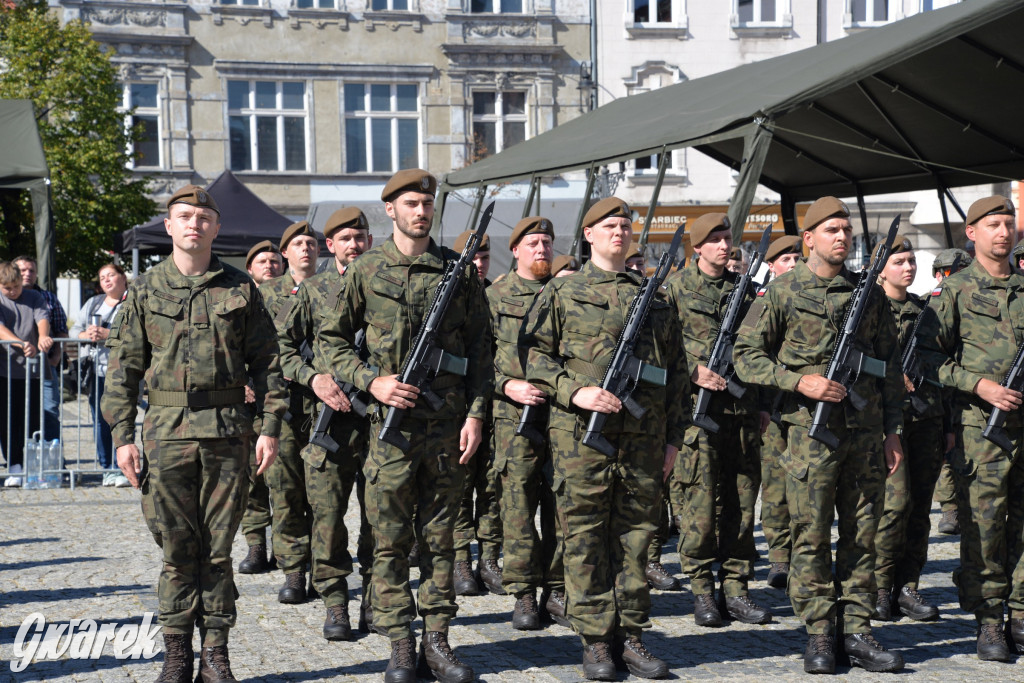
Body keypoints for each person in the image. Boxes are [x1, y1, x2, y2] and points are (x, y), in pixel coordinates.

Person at [102, 185, 286, 683]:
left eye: (204, 217)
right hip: (166, 436)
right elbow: (121, 370)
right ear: (169, 225)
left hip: (229, 436)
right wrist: (122, 436)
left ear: (216, 226)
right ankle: (177, 652)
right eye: (185, 216)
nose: (194, 224)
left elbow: (269, 364)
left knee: (220, 549)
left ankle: (217, 653)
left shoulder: (241, 287)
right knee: (177, 548)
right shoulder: (144, 289)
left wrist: (270, 427)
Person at [318, 169, 491, 683]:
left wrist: (477, 414)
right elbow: (332, 341)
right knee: (390, 541)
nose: (421, 211)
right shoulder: (366, 271)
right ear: (389, 209)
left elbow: (482, 351)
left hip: (446, 429)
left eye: (427, 203)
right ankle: (399, 643)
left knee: (441, 540)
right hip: (390, 432)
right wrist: (371, 382)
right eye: (411, 203)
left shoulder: (456, 273)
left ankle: (437, 641)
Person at [733, 196, 905, 674]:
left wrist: (892, 431)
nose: (842, 237)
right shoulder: (781, 293)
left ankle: (857, 628)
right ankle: (819, 633)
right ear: (808, 237)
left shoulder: (866, 294)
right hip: (809, 438)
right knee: (810, 537)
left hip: (865, 435)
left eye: (846, 230)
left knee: (862, 535)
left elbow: (888, 368)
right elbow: (744, 357)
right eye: (831, 229)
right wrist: (798, 381)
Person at [525, 197, 689, 680]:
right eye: (608, 226)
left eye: (625, 225)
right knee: (584, 539)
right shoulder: (562, 294)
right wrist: (577, 392)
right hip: (581, 440)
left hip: (644, 438)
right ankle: (596, 640)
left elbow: (677, 376)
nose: (619, 232)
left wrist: (674, 441)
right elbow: (534, 359)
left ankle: (632, 635)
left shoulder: (656, 298)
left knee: (637, 537)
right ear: (589, 235)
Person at [666, 212, 771, 627]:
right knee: (700, 506)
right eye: (715, 240)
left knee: (743, 504)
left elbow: (760, 348)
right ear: (697, 247)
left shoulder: (744, 292)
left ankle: (737, 589)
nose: (724, 246)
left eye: (727, 238)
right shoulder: (674, 290)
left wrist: (762, 403)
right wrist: (693, 370)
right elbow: (658, 346)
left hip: (741, 413)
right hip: (695, 416)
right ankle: (702, 591)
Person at [933, 195, 1024, 662]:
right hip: (981, 429)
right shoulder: (956, 291)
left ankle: (1022, 611)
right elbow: (930, 359)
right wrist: (980, 385)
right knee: (985, 527)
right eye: (993, 224)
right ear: (972, 233)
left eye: (1009, 223)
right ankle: (989, 620)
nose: (1004, 232)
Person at [278, 206, 374, 641]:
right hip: (330, 424)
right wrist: (313, 378)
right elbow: (280, 349)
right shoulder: (313, 291)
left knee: (382, 518)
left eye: (360, 236)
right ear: (330, 245)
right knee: (328, 517)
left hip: (380, 421)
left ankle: (378, 597)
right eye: (345, 238)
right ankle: (336, 601)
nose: (354, 244)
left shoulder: (386, 283)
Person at [486, 216, 567, 630]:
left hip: (563, 418)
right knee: (517, 507)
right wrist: (506, 385)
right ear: (515, 249)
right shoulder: (493, 295)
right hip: (512, 418)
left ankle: (557, 590)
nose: (542, 249)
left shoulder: (568, 292)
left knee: (561, 506)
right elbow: (476, 359)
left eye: (548, 242)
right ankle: (522, 593)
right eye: (533, 243)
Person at [869, 236, 946, 623]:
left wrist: (946, 424)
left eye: (912, 260)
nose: (909, 267)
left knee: (919, 509)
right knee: (894, 507)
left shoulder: (925, 311)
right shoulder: (867, 310)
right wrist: (893, 375)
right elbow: (855, 361)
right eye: (899, 261)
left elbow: (944, 362)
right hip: (887, 423)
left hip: (927, 420)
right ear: (881, 267)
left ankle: (908, 586)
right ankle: (880, 586)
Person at [261, 221, 321, 604]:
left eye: (311, 243)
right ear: (285, 252)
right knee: (284, 492)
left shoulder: (334, 289)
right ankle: (293, 570)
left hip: (322, 406)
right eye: (298, 244)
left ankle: (323, 567)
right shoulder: (266, 294)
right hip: (281, 404)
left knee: (321, 495)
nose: (305, 249)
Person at [450, 228, 504, 596]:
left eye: (485, 258)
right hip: (458, 408)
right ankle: (458, 561)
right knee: (457, 488)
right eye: (473, 258)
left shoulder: (498, 297)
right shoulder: (450, 301)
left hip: (497, 408)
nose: (480, 264)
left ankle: (488, 559)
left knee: (491, 487)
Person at [756, 234, 803, 590]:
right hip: (771, 405)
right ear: (772, 265)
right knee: (774, 485)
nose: (793, 264)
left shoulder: (807, 295)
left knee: (804, 484)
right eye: (786, 259)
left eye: (797, 258)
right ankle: (779, 558)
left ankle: (804, 557)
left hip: (803, 406)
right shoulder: (762, 299)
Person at [236, 240, 285, 575]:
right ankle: (256, 545)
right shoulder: (237, 301)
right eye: (262, 261)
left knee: (283, 481)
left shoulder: (294, 298)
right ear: (250, 268)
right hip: (247, 403)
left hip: (282, 401)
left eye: (274, 260)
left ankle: (285, 549)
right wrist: (239, 382)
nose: (269, 265)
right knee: (252, 477)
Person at [70, 263, 130, 487]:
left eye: (111, 275)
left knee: (122, 419)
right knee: (99, 420)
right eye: (102, 277)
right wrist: (85, 334)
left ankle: (123, 467)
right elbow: (74, 330)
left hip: (123, 371)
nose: (106, 280)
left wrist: (109, 334)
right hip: (96, 371)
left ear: (123, 278)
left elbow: (141, 330)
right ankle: (107, 467)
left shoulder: (133, 301)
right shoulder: (93, 303)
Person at [0, 261, 54, 487]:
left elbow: (42, 319)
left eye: (16, 287)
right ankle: (14, 465)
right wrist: (20, 343)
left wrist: (42, 336)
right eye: (7, 288)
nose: (12, 291)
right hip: (6, 371)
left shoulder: (34, 297)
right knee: (8, 420)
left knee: (33, 418)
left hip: (32, 372)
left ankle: (33, 464)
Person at [930, 247, 972, 536]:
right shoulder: (928, 305)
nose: (951, 278)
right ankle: (950, 508)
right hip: (939, 388)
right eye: (947, 273)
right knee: (945, 451)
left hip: (968, 389)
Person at [13, 255, 67, 442]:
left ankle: (53, 463)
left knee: (50, 410)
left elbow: (61, 330)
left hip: (44, 365)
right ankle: (19, 462)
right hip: (11, 366)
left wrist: (56, 356)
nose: (27, 274)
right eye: (22, 270)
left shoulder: (48, 297)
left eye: (32, 270)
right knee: (15, 412)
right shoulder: (5, 297)